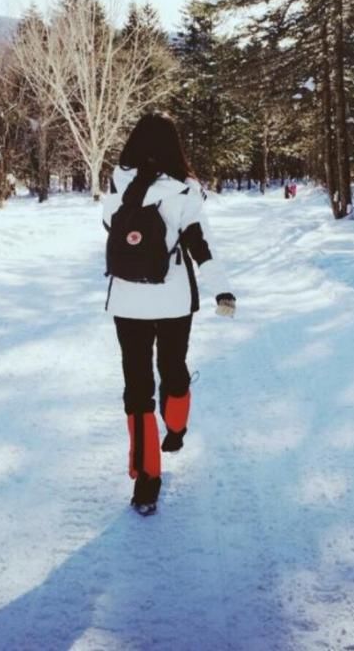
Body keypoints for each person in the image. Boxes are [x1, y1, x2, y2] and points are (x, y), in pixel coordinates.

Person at [101, 112, 236, 516]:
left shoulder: (117, 180)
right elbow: (200, 243)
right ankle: (175, 429)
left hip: (126, 299)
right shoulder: (186, 189)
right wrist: (221, 288)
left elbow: (110, 225)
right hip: (174, 298)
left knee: (137, 385)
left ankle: (147, 479)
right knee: (173, 367)